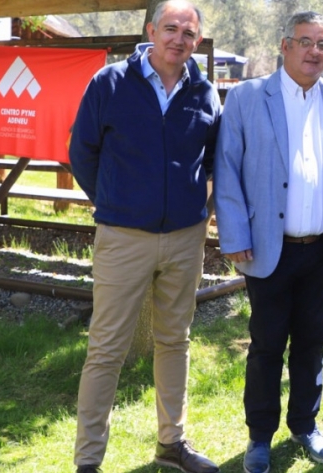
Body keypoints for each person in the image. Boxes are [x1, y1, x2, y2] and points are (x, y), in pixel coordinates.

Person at [213, 11, 323, 473]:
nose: (314, 52)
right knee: (266, 345)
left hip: (322, 249)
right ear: (285, 46)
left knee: (312, 343)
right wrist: (235, 234)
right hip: (266, 248)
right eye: (305, 42)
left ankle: (306, 424)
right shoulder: (245, 98)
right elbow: (227, 170)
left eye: (322, 44)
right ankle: (260, 436)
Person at [68, 1, 221, 472]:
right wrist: (113, 202)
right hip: (123, 237)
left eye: (189, 33)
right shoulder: (110, 83)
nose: (179, 39)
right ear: (150, 30)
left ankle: (171, 443)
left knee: (175, 341)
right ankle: (89, 460)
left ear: (197, 40)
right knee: (106, 348)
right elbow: (82, 151)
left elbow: (213, 161)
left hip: (185, 238)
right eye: (170, 29)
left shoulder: (205, 92)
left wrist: (200, 212)